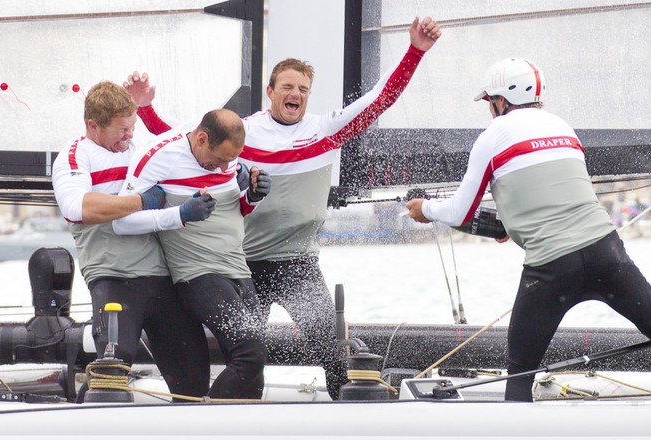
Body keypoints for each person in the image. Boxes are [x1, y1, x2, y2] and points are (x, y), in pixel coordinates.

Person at [125, 15, 442, 400]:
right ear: (270, 91)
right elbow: (183, 137)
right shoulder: (244, 133)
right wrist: (144, 109)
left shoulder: (325, 132)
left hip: (297, 263)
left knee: (330, 350)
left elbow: (378, 100)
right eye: (288, 86)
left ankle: (350, 415)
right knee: (244, 357)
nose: (296, 94)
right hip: (244, 265)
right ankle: (226, 417)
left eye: (304, 89)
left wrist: (415, 52)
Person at [406, 58, 651, 401]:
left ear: (501, 101)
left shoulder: (493, 136)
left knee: (521, 369)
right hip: (607, 255)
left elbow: (461, 209)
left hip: (553, 270)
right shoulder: (563, 126)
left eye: (489, 102)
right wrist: (514, 223)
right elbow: (552, 191)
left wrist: (425, 209)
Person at [52, 80, 213, 401]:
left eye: (132, 127)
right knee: (113, 367)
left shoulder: (137, 143)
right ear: (93, 125)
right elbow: (77, 207)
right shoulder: (75, 156)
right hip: (114, 279)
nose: (129, 137)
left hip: (162, 278)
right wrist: (140, 202)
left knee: (194, 376)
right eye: (121, 130)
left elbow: (186, 140)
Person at [112, 108, 271, 400]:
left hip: (238, 268)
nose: (225, 168)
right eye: (221, 160)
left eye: (231, 161)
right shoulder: (160, 157)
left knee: (254, 368)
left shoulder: (224, 155)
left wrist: (253, 197)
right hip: (199, 274)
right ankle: (202, 423)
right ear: (201, 139)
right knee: (249, 351)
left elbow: (234, 209)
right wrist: (180, 215)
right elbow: (121, 222)